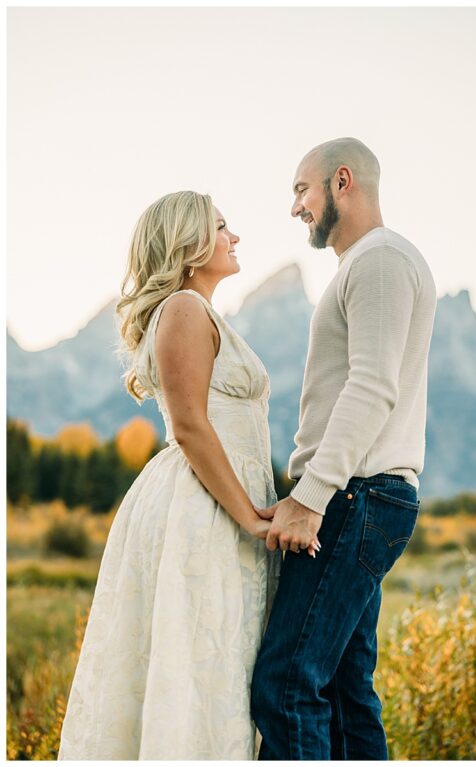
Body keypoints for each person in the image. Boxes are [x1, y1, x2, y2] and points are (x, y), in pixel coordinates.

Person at [59, 191, 291, 759]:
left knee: (215, 665)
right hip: (205, 509)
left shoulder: (197, 310)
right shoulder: (184, 308)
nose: (234, 237)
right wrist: (252, 521)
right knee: (198, 661)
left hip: (223, 500)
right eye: (221, 226)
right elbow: (189, 425)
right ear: (189, 244)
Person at [250, 138, 437, 760]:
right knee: (345, 692)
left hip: (352, 498)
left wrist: (310, 495)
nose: (295, 207)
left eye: (301, 190)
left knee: (285, 686)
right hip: (362, 497)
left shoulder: (379, 260)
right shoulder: (371, 263)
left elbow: (373, 385)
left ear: (341, 181)